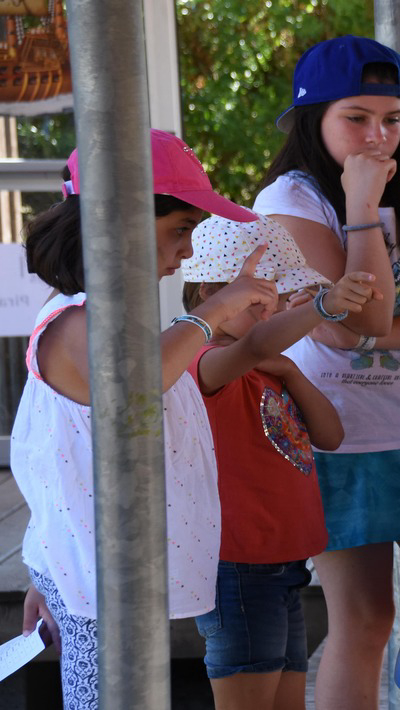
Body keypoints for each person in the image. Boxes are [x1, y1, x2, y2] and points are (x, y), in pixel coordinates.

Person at [252, 35, 400, 709]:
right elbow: (356, 318)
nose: (378, 135)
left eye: (392, 118)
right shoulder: (290, 199)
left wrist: (368, 330)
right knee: (365, 621)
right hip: (339, 445)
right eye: (356, 117)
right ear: (313, 118)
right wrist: (360, 206)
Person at [14, 129, 278, 710]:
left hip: (107, 577)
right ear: (121, 224)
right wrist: (218, 306)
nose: (186, 251)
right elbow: (137, 385)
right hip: (101, 588)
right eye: (180, 230)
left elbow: (60, 467)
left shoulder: (106, 321)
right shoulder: (74, 323)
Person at [180, 215, 379, 709]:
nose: (273, 311)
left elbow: (330, 435)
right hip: (239, 568)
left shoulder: (273, 369)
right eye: (260, 299)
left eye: (278, 298)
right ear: (211, 294)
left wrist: (290, 370)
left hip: (285, 565)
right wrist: (322, 307)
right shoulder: (200, 360)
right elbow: (253, 345)